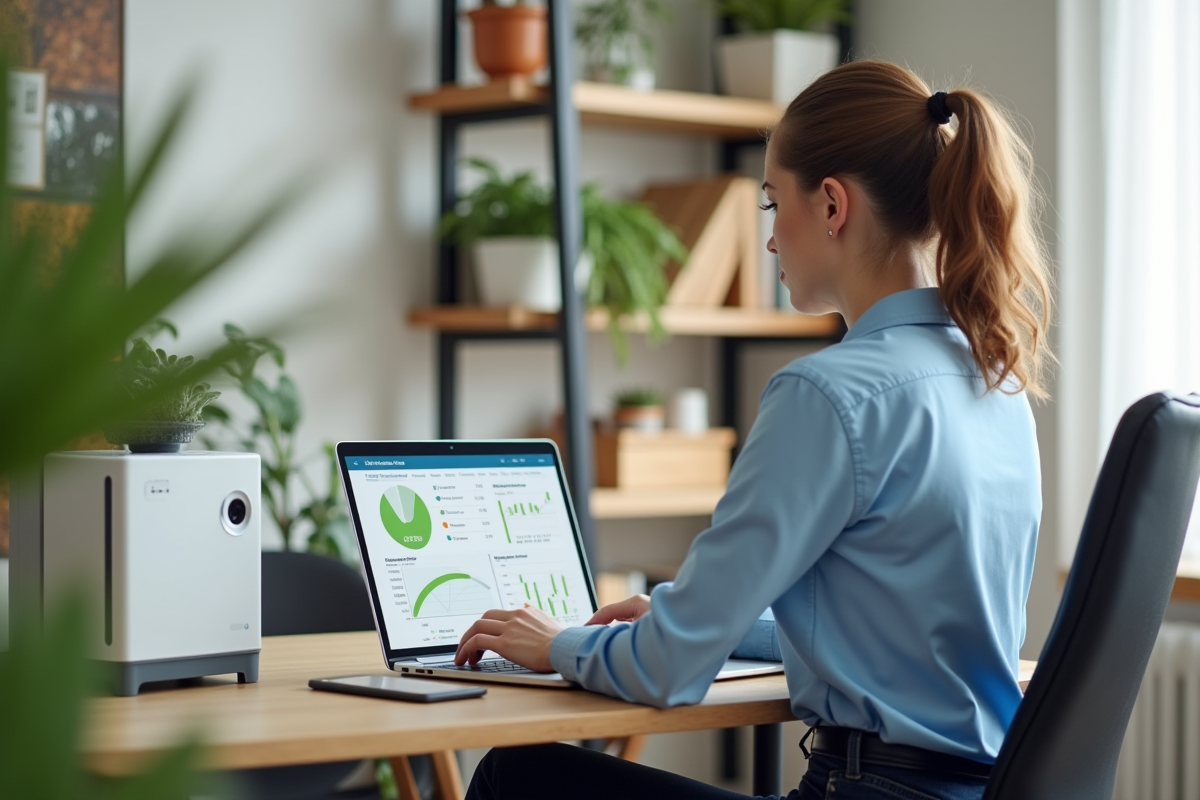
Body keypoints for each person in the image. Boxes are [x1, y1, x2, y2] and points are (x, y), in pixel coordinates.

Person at [453, 59, 1052, 800]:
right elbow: (903, 643)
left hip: (866, 791)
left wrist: (560, 645)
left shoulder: (828, 394)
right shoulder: (998, 381)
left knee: (518, 776)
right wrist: (720, 625)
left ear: (832, 205)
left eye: (772, 204)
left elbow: (667, 669)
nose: (769, 241)